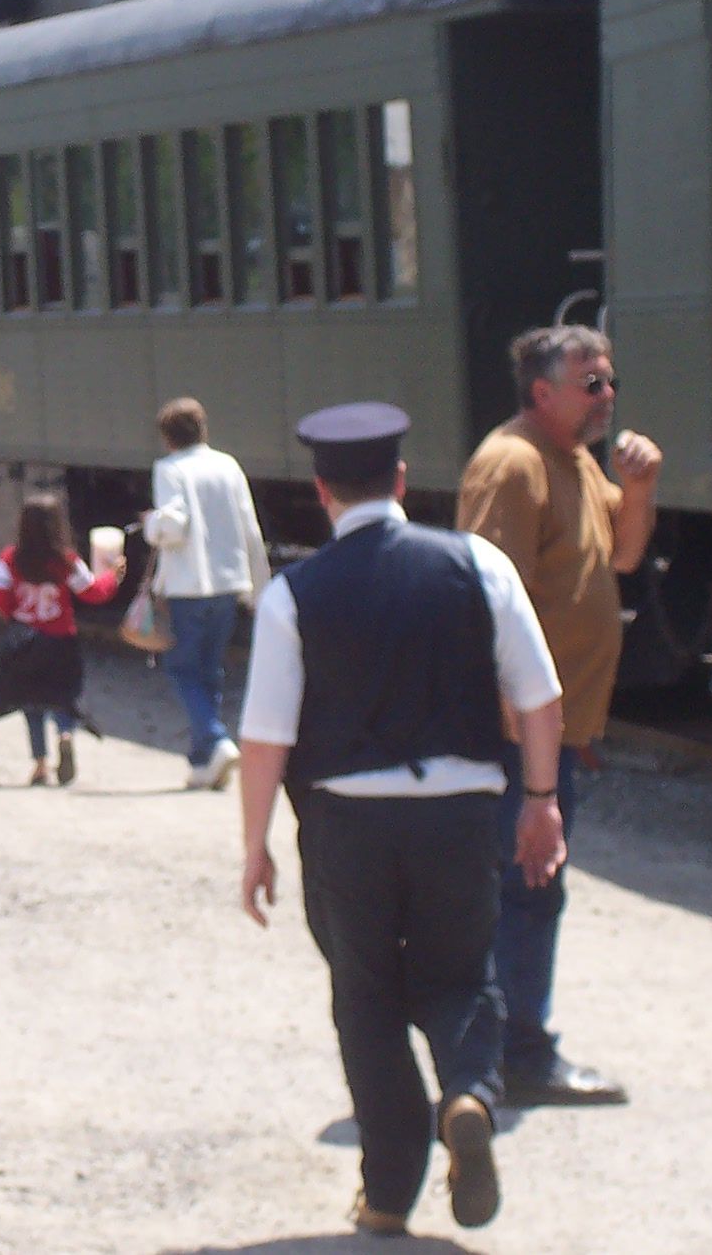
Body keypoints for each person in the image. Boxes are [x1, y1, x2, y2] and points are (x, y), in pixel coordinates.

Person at [236, 402, 567, 1238]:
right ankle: (469, 1095)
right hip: (460, 815)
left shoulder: (293, 595)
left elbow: (266, 737)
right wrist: (541, 800)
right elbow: (540, 698)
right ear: (403, 481)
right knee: (462, 976)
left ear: (322, 491)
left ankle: (387, 1194)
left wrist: (255, 846)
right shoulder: (477, 564)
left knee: (367, 997)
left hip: (346, 826)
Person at [455, 324, 663, 1109]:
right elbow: (485, 598)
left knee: (527, 889)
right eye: (592, 384)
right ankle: (515, 1055)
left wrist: (639, 489)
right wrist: (519, 740)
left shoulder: (570, 458)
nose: (608, 397)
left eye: (611, 381)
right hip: (520, 736)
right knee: (526, 890)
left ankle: (504, 1049)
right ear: (542, 392)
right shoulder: (513, 463)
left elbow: (623, 555)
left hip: (551, 733)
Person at [141, 397, 271, 790]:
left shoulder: (169, 469)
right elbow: (249, 527)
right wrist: (259, 586)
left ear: (167, 438)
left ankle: (215, 741)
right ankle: (203, 763)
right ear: (203, 429)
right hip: (230, 583)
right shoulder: (228, 465)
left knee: (182, 668)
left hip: (189, 586)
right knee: (209, 670)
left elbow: (172, 526)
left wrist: (151, 524)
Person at [0, 494, 125, 786]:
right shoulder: (66, 560)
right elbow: (93, 592)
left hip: (24, 642)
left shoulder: (9, 558)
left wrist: (16, 619)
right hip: (60, 640)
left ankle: (40, 765)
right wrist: (113, 576)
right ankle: (65, 734)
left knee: (31, 702)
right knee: (65, 696)